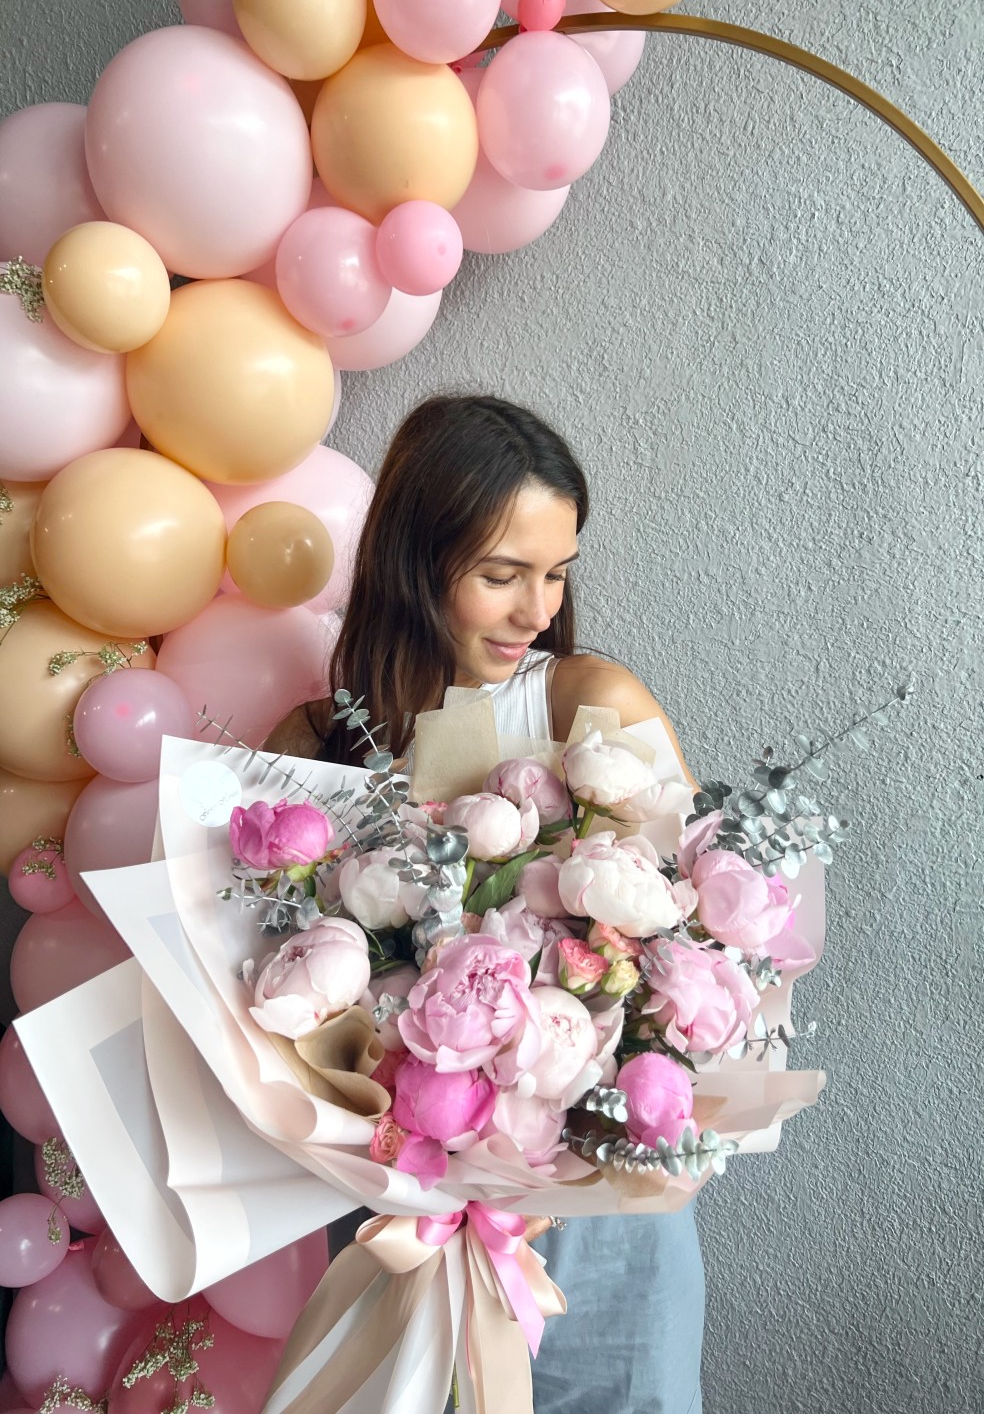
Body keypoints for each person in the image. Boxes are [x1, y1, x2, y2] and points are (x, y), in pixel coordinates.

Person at [267, 393, 705, 1414]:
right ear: (412, 566)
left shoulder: (588, 705)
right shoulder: (308, 743)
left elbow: (693, 954)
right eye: (502, 575)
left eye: (557, 573)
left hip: (585, 1211)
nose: (538, 610)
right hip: (399, 1206)